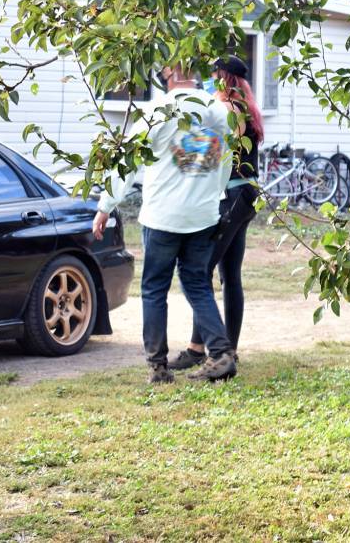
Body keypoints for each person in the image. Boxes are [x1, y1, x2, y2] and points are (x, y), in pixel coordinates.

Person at [92, 65, 238, 384]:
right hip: (202, 215)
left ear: (169, 73)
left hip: (163, 216)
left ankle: (158, 367)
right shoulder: (215, 109)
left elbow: (128, 161)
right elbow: (227, 160)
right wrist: (214, 196)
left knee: (155, 288)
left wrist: (106, 205)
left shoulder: (158, 110)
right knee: (197, 284)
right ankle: (222, 353)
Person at [168, 56, 263, 370]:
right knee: (229, 276)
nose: (210, 82)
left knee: (201, 271)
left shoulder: (230, 111)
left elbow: (205, 153)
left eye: (213, 77)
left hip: (233, 196)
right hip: (245, 195)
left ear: (224, 78)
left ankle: (200, 349)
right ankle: (228, 349)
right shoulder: (244, 107)